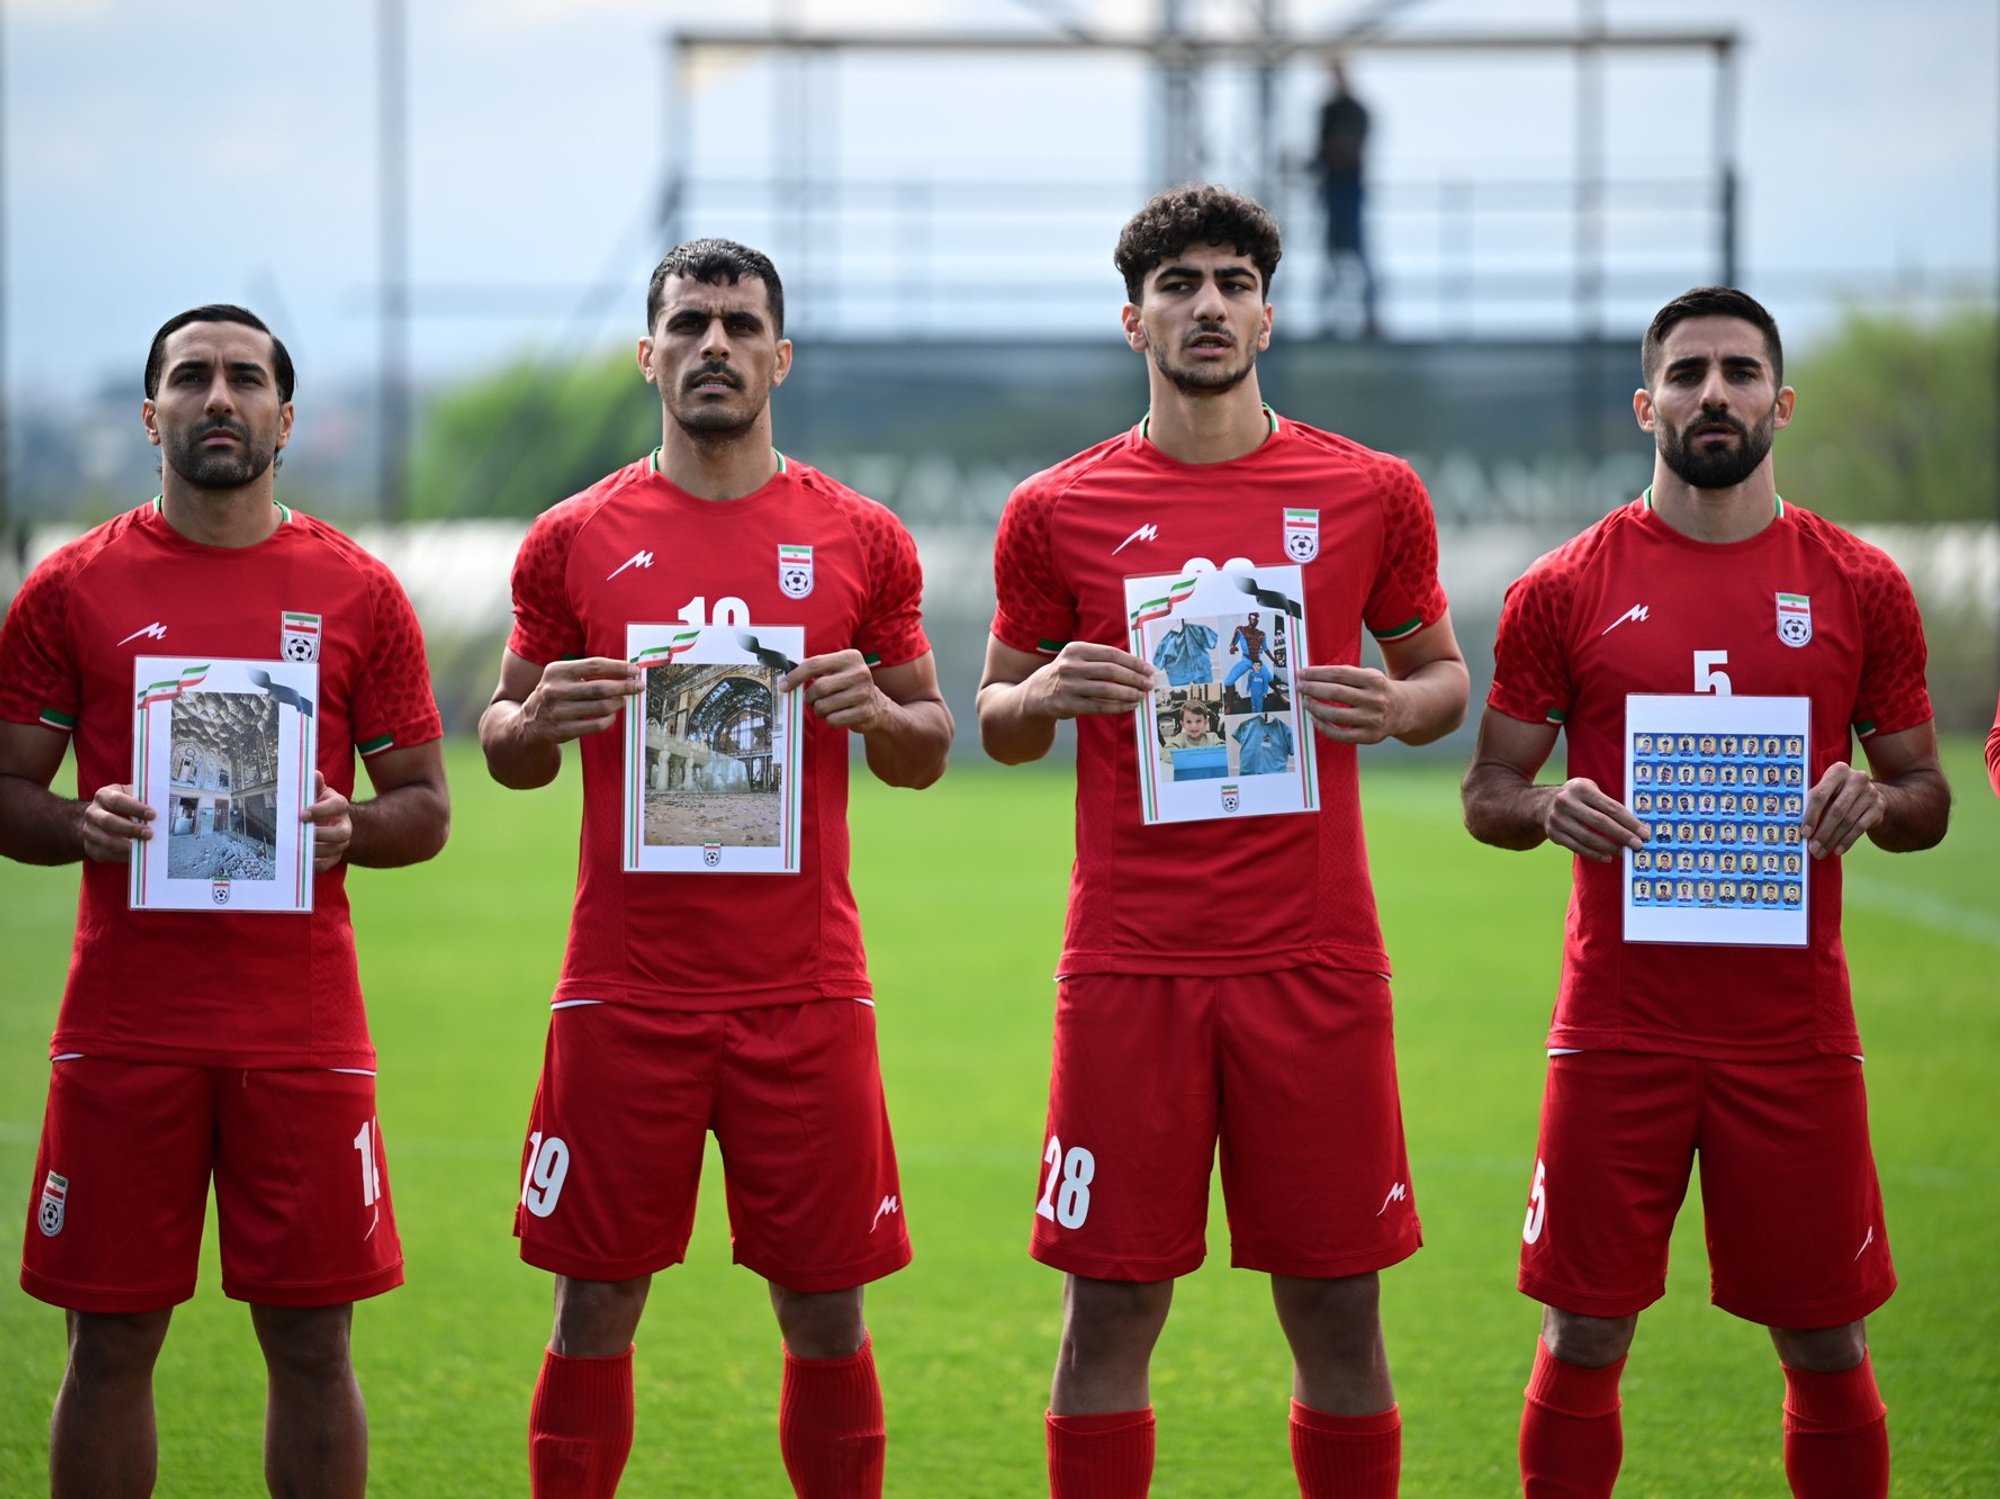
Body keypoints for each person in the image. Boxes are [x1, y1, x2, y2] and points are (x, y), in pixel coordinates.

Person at [977, 184, 1467, 1499]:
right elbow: (996, 713)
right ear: (1133, 316)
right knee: (1111, 1310)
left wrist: (1395, 703)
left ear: (1269, 307)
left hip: (1313, 961)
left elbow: (1442, 680)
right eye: (1181, 284)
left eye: (1234, 281)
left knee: (1338, 1307)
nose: (1210, 305)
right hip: (1132, 966)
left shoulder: (1369, 491)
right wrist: (1045, 694)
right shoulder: (1056, 507)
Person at [479, 238, 952, 1499]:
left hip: (801, 988)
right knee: (595, 1298)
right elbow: (504, 741)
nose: (714, 347)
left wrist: (875, 711)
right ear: (648, 355)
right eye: (688, 324)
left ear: (779, 357)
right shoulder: (572, 538)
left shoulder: (859, 537)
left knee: (825, 1310)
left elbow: (927, 749)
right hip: (623, 987)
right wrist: (533, 726)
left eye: (741, 326)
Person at [1460, 286, 1950, 1499]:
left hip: (1790, 1032)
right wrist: (1542, 807)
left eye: (1737, 372)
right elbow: (1486, 789)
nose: (1711, 393)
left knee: (1824, 1336)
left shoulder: (1859, 583)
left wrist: (1872, 803)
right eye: (1685, 374)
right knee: (1581, 1332)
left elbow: (1928, 793)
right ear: (1646, 405)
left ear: (1778, 402)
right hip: (1616, 1025)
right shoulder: (1561, 587)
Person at [0, 304, 450, 1498]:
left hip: (299, 1033)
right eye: (190, 378)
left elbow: (425, 807)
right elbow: (4, 791)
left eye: (244, 379)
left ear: (284, 419)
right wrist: (75, 822)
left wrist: (349, 825)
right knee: (109, 1338)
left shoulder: (358, 591)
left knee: (311, 1340)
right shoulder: (70, 589)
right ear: (150, 413)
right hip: (124, 1026)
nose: (218, 398)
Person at [1314, 58, 1378, 339]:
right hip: (1337, 189)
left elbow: (1344, 149)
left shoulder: (1351, 110)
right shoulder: (1334, 109)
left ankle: (1367, 316)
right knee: (1336, 256)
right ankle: (1334, 318)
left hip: (1346, 189)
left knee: (1353, 254)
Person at [1223, 610, 1278, 712]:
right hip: (1246, 660)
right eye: (1252, 618)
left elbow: (1265, 649)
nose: (1254, 620)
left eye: (1256, 619)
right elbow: (1233, 643)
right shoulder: (1240, 630)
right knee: (1228, 681)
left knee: (1269, 678)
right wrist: (1232, 648)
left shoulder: (1261, 634)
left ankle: (1279, 695)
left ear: (1258, 620)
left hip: (1257, 662)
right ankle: (1230, 704)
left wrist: (1273, 659)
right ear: (1248, 618)